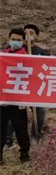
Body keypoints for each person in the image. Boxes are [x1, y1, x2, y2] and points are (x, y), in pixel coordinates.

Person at [0, 29, 31, 164]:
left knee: (21, 128)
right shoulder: (3, 56)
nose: (15, 42)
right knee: (0, 128)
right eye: (13, 39)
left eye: (18, 40)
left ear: (23, 41)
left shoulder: (27, 57)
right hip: (3, 99)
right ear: (9, 39)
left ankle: (24, 153)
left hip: (18, 100)